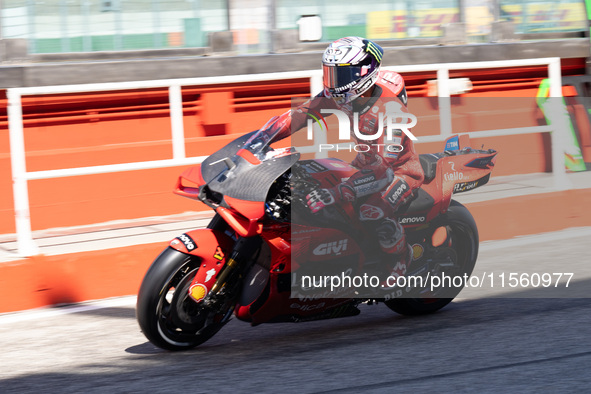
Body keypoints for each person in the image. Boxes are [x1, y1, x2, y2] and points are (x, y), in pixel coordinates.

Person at [265, 36, 424, 276]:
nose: (332, 82)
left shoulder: (392, 113)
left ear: (362, 74)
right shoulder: (344, 94)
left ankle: (401, 260)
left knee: (371, 212)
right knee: (310, 184)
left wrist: (336, 193)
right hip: (365, 164)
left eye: (339, 75)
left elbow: (383, 172)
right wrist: (262, 137)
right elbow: (302, 114)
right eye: (330, 73)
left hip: (399, 173)